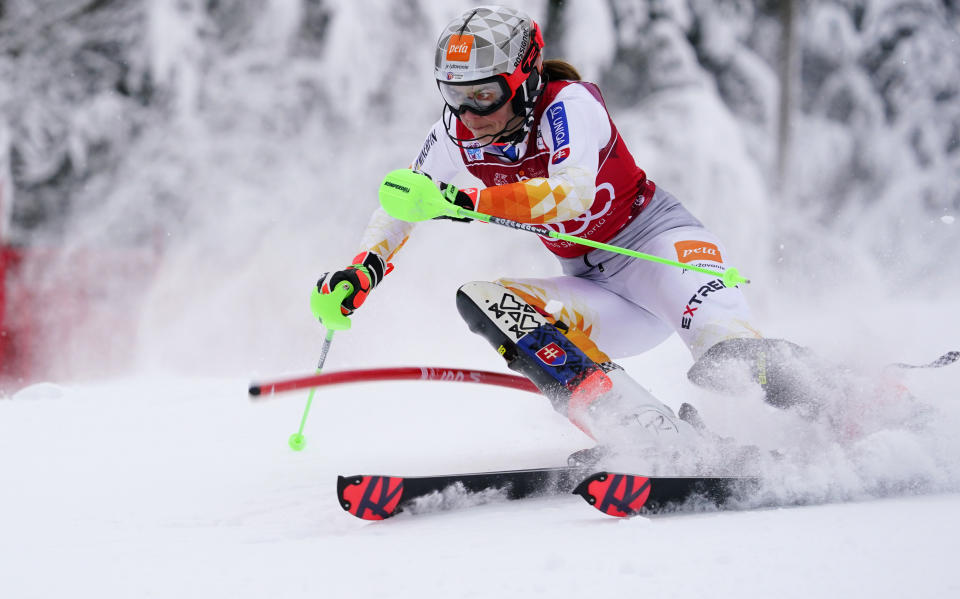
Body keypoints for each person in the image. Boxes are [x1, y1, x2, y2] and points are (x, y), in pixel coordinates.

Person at [318, 6, 825, 461]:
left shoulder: (569, 105)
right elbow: (403, 201)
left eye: (484, 95)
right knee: (484, 299)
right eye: (455, 97)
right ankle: (644, 431)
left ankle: (860, 403)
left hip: (664, 254)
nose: (470, 115)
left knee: (728, 360)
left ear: (523, 79)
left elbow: (571, 195)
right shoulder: (456, 133)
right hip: (599, 290)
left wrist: (465, 202)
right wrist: (362, 269)